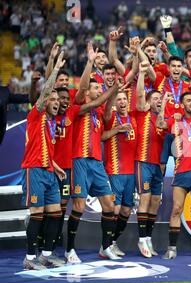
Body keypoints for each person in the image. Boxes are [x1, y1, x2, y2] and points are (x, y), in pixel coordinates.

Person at [65, 44, 122, 263]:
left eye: (100, 88)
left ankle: (105, 247)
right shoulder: (78, 106)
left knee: (109, 205)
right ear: (87, 91)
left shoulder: (98, 111)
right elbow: (93, 97)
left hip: (97, 162)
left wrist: (114, 91)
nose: (99, 91)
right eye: (95, 88)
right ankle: (70, 249)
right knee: (78, 206)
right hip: (80, 160)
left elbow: (105, 109)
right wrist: (90, 61)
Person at [158, 53, 191, 259]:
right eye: (187, 100)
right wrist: (164, 105)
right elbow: (160, 124)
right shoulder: (176, 120)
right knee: (176, 209)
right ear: (182, 104)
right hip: (182, 172)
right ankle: (172, 249)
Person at [21, 52, 67, 270]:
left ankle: (46, 255)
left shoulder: (51, 124)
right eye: (52, 99)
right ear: (43, 102)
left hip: (49, 171)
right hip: (34, 171)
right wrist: (56, 68)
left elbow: (46, 150)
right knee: (37, 215)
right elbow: (45, 92)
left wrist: (56, 168)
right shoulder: (35, 115)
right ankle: (30, 258)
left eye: (58, 100)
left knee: (55, 213)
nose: (56, 102)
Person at [134, 61, 170, 257]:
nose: (158, 100)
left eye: (160, 98)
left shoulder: (163, 119)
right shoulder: (142, 113)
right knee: (145, 199)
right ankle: (141, 239)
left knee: (155, 202)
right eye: (155, 98)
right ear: (149, 102)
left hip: (158, 166)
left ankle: (148, 237)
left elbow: (165, 126)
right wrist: (140, 74)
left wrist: (163, 107)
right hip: (143, 162)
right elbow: (140, 96)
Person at [101, 87, 138, 258]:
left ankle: (112, 242)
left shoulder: (134, 118)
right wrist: (117, 130)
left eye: (125, 99)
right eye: (119, 99)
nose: (122, 102)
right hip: (115, 170)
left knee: (126, 211)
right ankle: (105, 246)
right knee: (114, 210)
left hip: (130, 172)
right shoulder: (110, 118)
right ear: (115, 102)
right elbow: (101, 137)